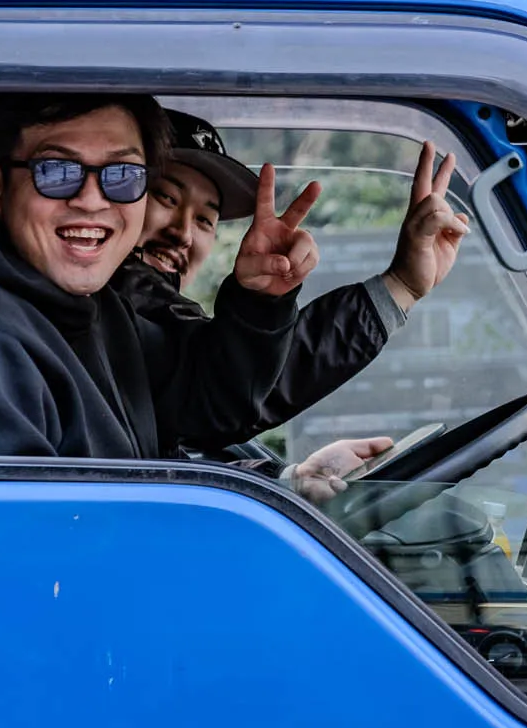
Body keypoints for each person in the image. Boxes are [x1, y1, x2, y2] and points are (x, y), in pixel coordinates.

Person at [0, 93, 363, 485]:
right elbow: (32, 568)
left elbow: (207, 408)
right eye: (56, 171)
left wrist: (260, 299)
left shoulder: (91, 306)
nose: (91, 200)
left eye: (123, 175)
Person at [117, 110, 471, 499]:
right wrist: (399, 285)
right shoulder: (108, 303)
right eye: (166, 197)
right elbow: (222, 386)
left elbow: (181, 445)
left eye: (205, 220)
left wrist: (289, 481)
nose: (183, 232)